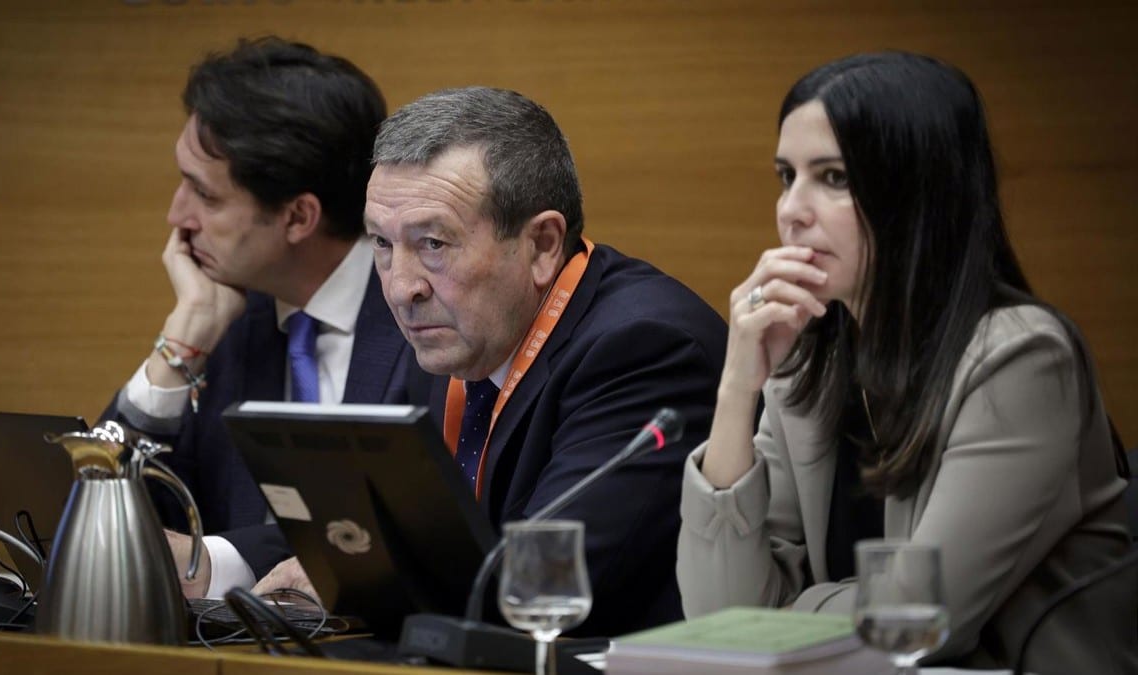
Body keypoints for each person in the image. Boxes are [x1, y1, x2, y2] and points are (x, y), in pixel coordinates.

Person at [676, 51, 1137, 673]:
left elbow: (913, 626)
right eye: (787, 176)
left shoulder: (1024, 358)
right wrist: (738, 385)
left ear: (918, 191)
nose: (792, 210)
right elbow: (716, 621)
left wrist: (788, 612)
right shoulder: (809, 360)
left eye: (833, 177)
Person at [264, 86, 728, 635]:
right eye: (382, 245)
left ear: (542, 245)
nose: (400, 287)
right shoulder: (450, 333)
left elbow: (543, 583)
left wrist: (354, 579)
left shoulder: (646, 351)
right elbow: (361, 519)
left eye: (433, 243)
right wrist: (210, 560)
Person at [100, 36, 421, 599]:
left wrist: (222, 558)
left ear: (298, 216)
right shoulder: (227, 321)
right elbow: (104, 519)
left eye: (205, 195)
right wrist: (183, 339)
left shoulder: (427, 321)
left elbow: (397, 530)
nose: (177, 216)